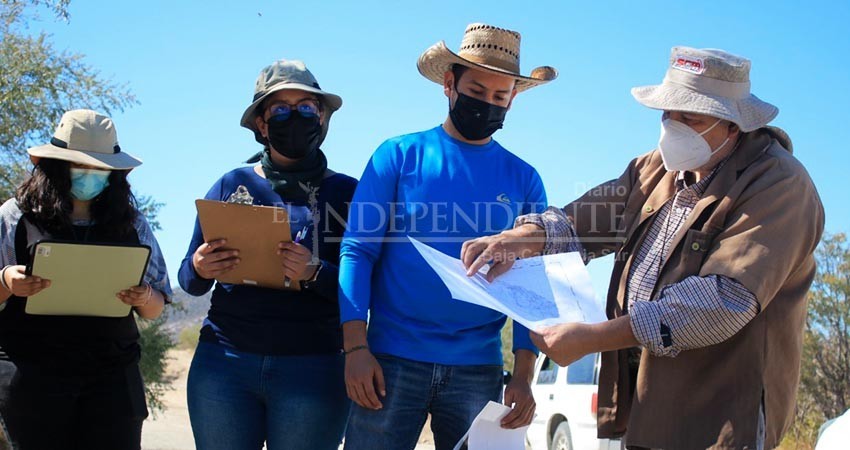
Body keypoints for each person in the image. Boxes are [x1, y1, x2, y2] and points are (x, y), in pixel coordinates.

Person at [461, 47, 825, 449]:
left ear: (733, 126)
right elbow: (579, 222)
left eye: (692, 117)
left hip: (720, 412)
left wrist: (594, 338)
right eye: (668, 113)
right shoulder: (653, 170)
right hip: (648, 404)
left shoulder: (779, 185)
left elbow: (721, 302)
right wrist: (521, 238)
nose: (674, 127)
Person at [339, 23, 557, 450]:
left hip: (478, 369)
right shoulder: (398, 156)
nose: (487, 104)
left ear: (513, 98)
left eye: (500, 96)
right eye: (477, 91)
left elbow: (532, 280)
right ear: (448, 84)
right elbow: (357, 251)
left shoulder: (525, 179)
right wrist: (355, 349)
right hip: (389, 360)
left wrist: (525, 374)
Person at [180, 59, 357, 450]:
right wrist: (200, 265)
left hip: (313, 368)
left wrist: (315, 273)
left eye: (306, 108)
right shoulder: (231, 184)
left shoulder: (349, 194)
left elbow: (367, 287)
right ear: (261, 124)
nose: (295, 117)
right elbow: (189, 282)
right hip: (224, 365)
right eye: (280, 109)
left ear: (323, 117)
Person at [0, 109, 172, 450]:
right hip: (31, 377)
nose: (91, 176)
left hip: (112, 378)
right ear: (54, 167)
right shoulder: (15, 216)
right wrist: (6, 282)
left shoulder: (133, 224)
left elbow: (155, 309)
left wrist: (143, 296)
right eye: (81, 167)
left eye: (100, 169)